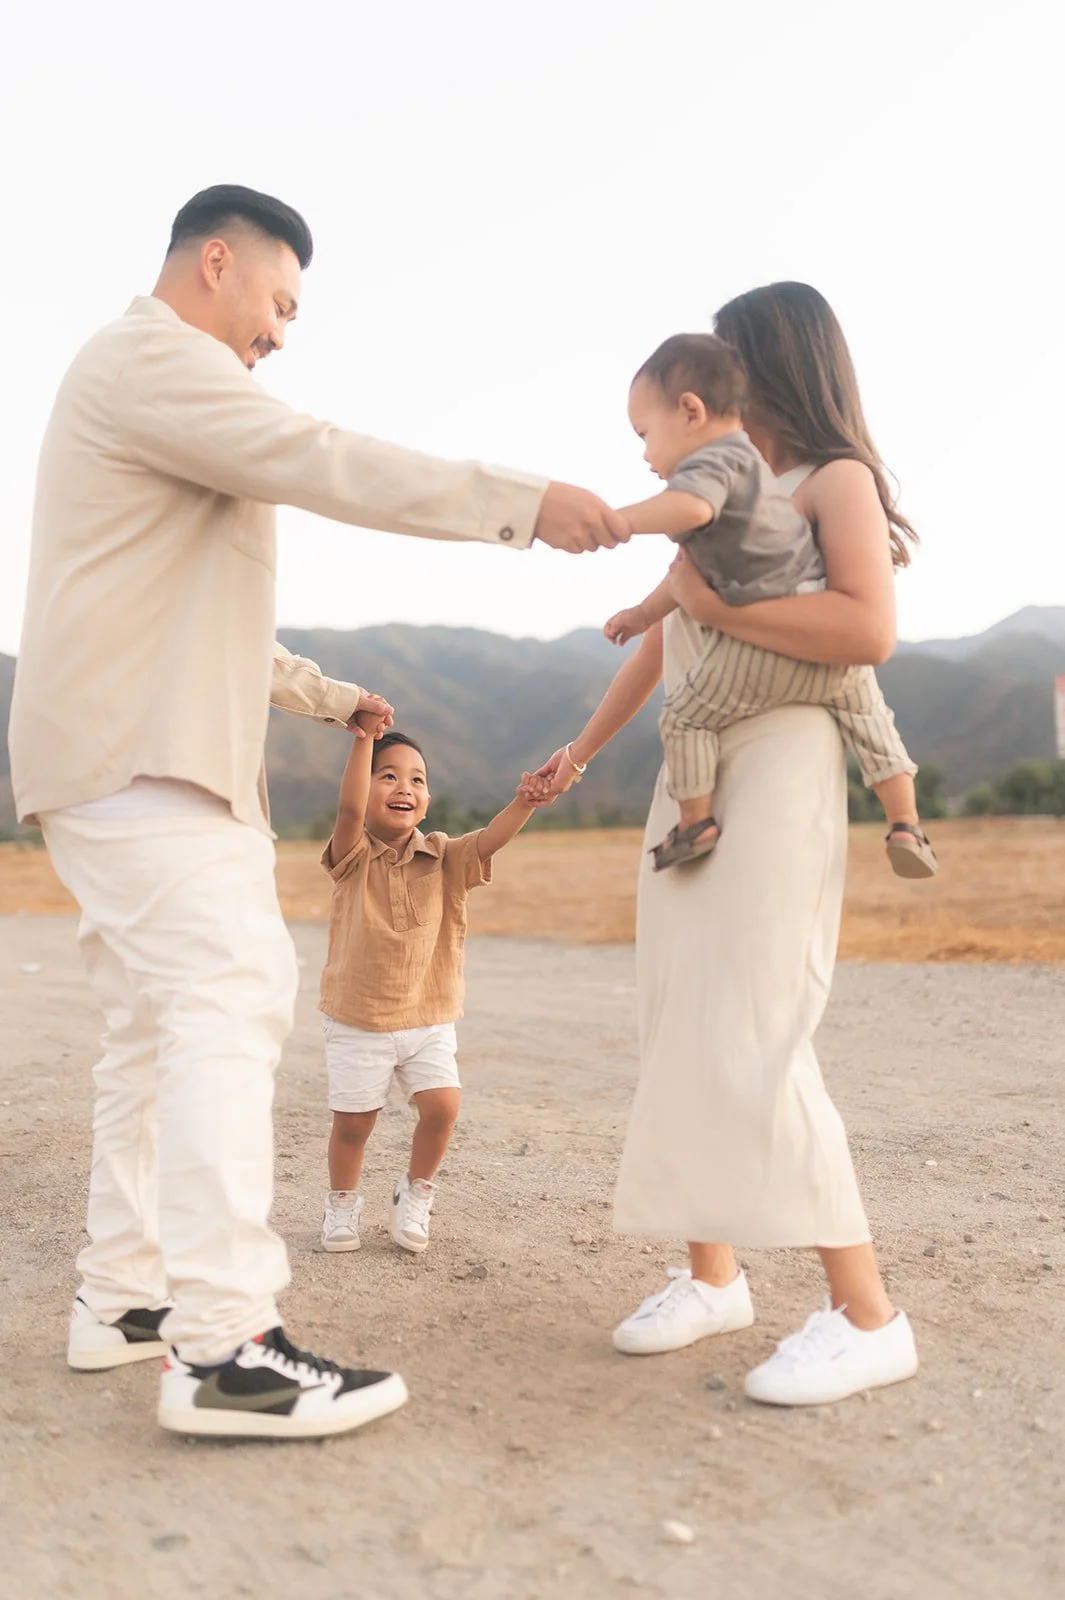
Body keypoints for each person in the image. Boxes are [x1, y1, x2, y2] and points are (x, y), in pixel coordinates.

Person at [7, 183, 628, 1442]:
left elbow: (197, 615)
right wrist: (522, 502)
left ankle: (124, 1300)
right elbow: (322, 454)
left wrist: (332, 694)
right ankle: (228, 1348)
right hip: (147, 763)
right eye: (280, 302)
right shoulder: (154, 360)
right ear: (216, 264)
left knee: (149, 1035)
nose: (283, 331)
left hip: (114, 751)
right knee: (231, 998)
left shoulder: (136, 384)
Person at [532, 282, 922, 1407]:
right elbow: (663, 636)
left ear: (767, 367)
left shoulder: (831, 481)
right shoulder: (722, 494)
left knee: (756, 1028)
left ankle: (868, 1313)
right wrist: (584, 748)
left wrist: (719, 604)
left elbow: (868, 629)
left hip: (783, 760)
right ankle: (713, 1276)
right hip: (692, 769)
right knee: (679, 1020)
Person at [603, 332, 935, 877]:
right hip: (831, 651)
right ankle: (905, 822)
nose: (644, 452)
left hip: (764, 653)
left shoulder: (713, 465)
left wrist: (621, 522)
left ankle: (696, 822)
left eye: (644, 433)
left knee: (685, 716)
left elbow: (686, 518)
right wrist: (644, 616)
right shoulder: (762, 478)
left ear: (691, 411)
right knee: (873, 721)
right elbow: (685, 575)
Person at [318, 720, 544, 1256]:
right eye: (388, 776)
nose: (404, 788)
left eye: (417, 780)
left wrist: (525, 802)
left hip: (428, 1014)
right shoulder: (352, 855)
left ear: (428, 798)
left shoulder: (444, 855)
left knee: (443, 1109)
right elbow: (349, 812)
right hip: (359, 1016)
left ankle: (414, 1193)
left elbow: (491, 839)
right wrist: (362, 738)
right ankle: (342, 1201)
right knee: (353, 1123)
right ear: (363, 786)